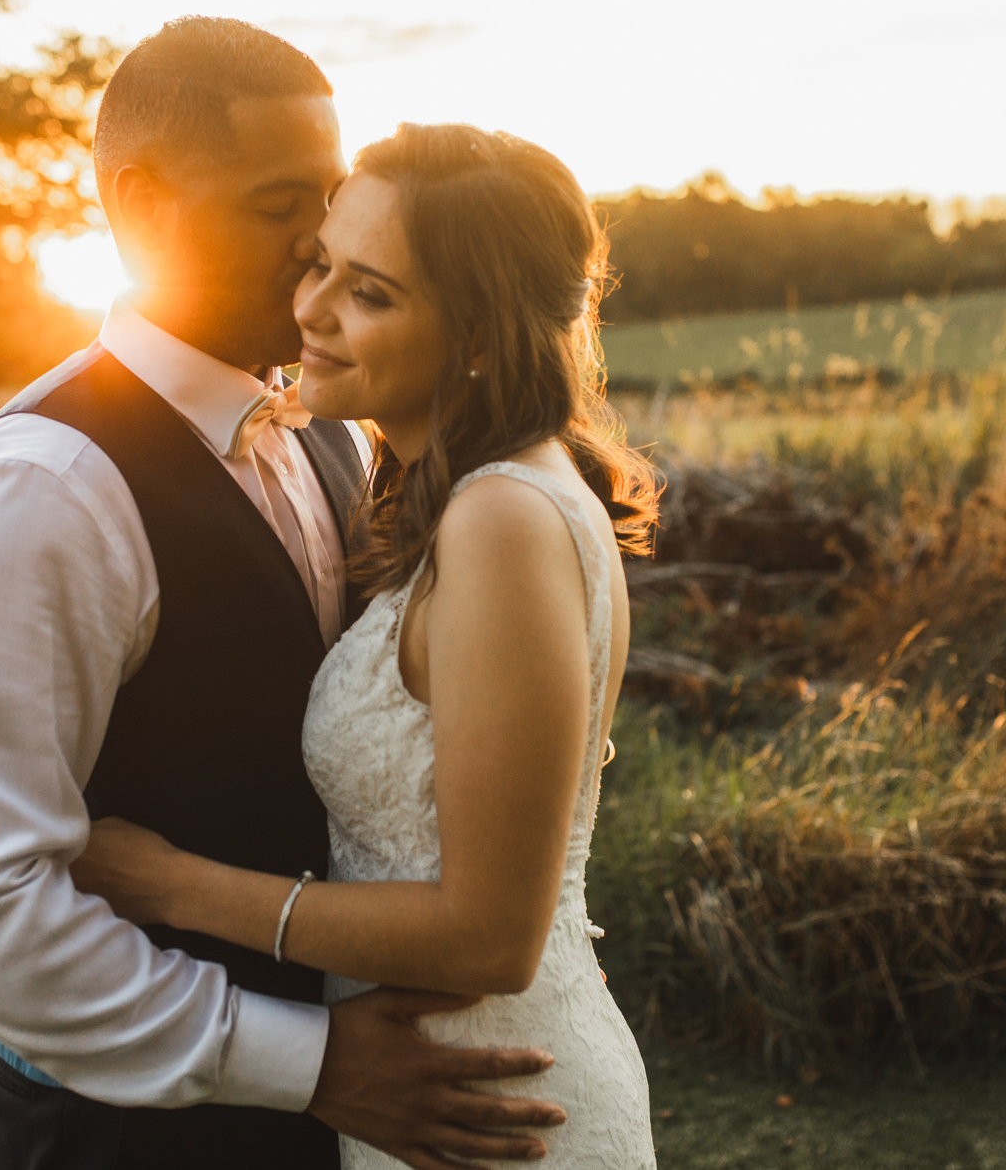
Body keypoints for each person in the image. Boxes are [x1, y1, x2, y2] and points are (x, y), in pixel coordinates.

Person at [0, 19, 568, 1170]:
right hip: (133, 1139)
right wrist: (306, 1061)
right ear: (142, 203)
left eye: (330, 198)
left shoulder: (332, 436)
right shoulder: (39, 492)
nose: (320, 245)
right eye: (276, 206)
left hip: (361, 1120)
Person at [70, 122, 662, 1168]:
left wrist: (167, 885)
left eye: (370, 293)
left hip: (489, 1109)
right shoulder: (473, 494)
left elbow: (489, 935)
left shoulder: (502, 522)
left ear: (477, 335)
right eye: (320, 267)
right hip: (439, 1090)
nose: (309, 309)